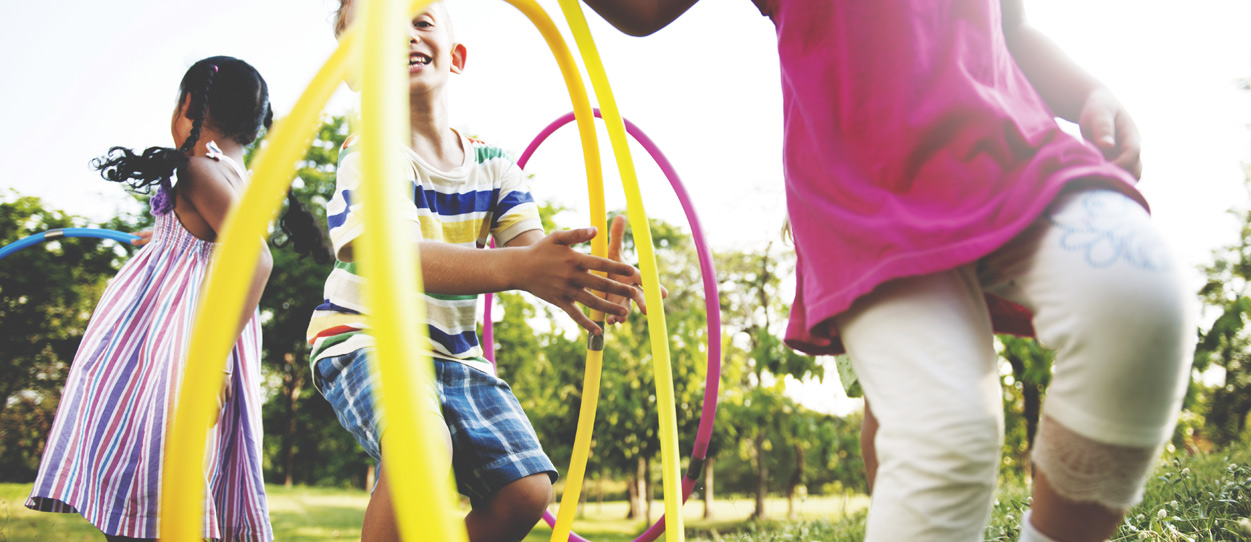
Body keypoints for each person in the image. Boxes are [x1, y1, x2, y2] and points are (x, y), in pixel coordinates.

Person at [580, 1, 1194, 541]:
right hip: (870, 192)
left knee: (1139, 300)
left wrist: (1088, 91)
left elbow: (1015, 27)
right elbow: (644, 8)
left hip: (1009, 146)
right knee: (944, 439)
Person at [307, 3, 647, 541]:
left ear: (456, 56)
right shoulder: (367, 153)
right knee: (422, 442)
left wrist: (581, 273)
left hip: (457, 353)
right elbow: (392, 254)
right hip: (365, 336)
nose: (404, 35)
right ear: (352, 71)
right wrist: (524, 265)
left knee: (528, 492)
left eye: (420, 21)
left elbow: (532, 253)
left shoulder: (494, 165)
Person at [26, 56, 277, 542]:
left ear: (189, 103)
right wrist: (166, 234)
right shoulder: (238, 178)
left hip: (171, 344)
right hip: (188, 330)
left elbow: (256, 259)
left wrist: (214, 360)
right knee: (176, 466)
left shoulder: (197, 169)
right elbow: (206, 243)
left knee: (148, 460)